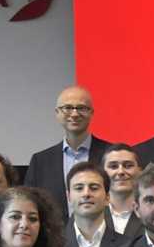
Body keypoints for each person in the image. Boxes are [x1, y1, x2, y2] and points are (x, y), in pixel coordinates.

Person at [24, 86, 115, 218]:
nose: (74, 114)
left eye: (81, 108)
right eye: (67, 108)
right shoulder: (41, 161)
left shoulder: (111, 155)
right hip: (55, 237)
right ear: (57, 113)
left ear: (92, 113)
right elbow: (30, 204)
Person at [101, 143, 144, 237]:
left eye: (128, 166)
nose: (121, 172)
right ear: (103, 173)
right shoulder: (93, 214)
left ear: (140, 171)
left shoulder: (150, 213)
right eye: (113, 166)